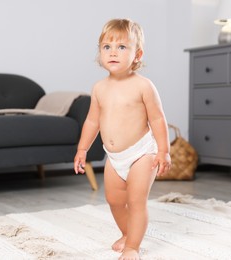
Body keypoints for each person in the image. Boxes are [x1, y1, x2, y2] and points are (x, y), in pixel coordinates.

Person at [74, 18, 171, 260]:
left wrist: (163, 151)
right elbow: (92, 122)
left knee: (136, 201)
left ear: (137, 54)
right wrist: (82, 149)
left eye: (122, 47)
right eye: (107, 47)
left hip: (141, 153)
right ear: (100, 53)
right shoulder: (99, 88)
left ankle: (133, 247)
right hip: (115, 157)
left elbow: (158, 120)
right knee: (114, 200)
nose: (113, 52)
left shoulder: (143, 86)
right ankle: (128, 233)